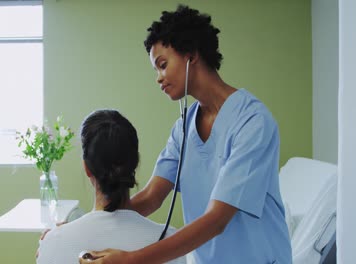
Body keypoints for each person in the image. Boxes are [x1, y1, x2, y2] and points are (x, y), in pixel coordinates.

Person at [79, 5, 292, 264]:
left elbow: (217, 220)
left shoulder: (252, 122)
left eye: (162, 64)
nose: (158, 78)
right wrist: (75, 232)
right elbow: (150, 197)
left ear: (191, 56)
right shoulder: (184, 126)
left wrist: (132, 260)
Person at [36, 109, 186, 264]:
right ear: (134, 163)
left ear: (87, 168)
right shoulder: (175, 245)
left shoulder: (52, 243)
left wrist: (63, 234)